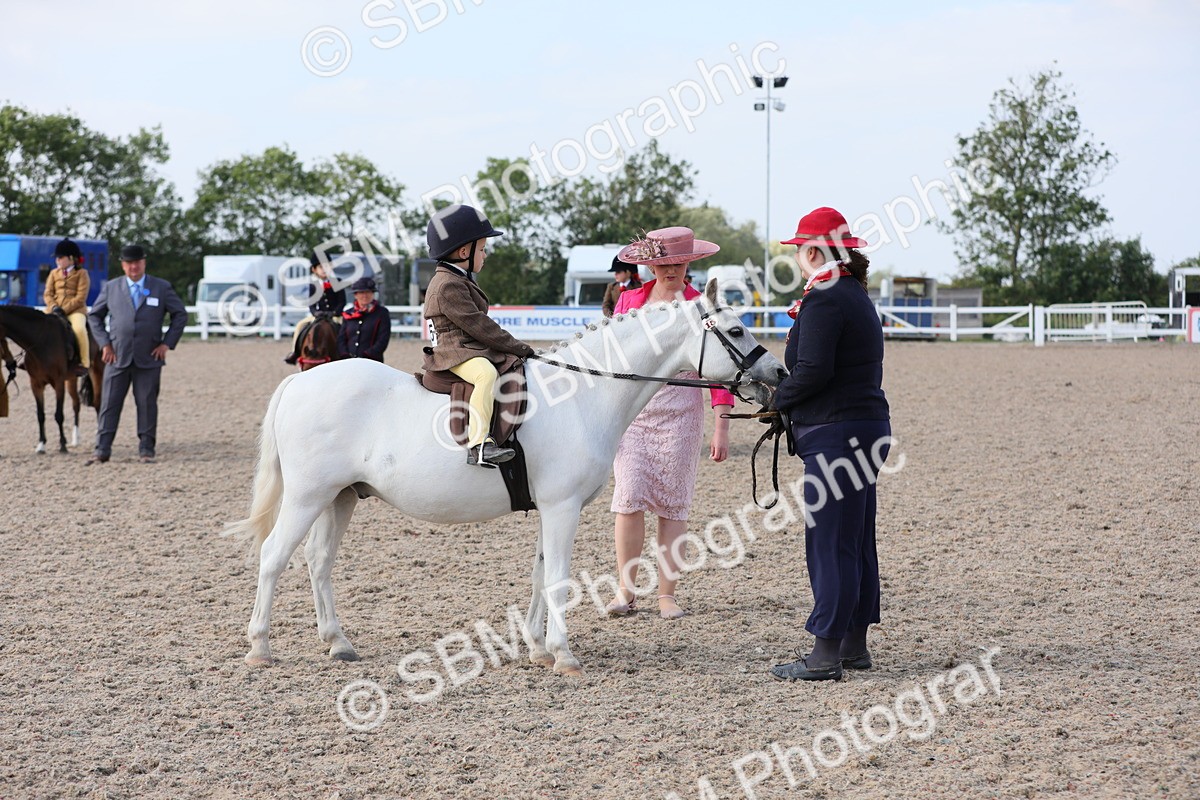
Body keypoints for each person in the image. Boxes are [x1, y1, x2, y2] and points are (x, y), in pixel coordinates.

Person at [767, 207, 891, 682]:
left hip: (838, 433)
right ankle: (853, 645)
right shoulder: (853, 293)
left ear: (815, 252)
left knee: (830, 543)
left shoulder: (825, 298)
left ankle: (823, 655)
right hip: (863, 428)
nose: (798, 256)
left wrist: (778, 400)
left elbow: (813, 372)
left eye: (801, 249)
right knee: (854, 539)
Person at [605, 226, 733, 620]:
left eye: (679, 263)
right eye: (663, 264)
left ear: (689, 263)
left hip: (681, 416)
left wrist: (722, 423)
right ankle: (626, 591)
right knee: (628, 500)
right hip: (633, 416)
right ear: (650, 266)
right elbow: (612, 356)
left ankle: (666, 595)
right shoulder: (629, 300)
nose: (671, 270)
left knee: (672, 507)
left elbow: (719, 364)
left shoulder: (701, 305)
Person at [421, 204, 535, 468]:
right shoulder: (447, 285)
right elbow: (480, 326)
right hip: (454, 351)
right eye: (482, 249)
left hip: (466, 347)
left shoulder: (458, 277)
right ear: (464, 252)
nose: (485, 255)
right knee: (486, 374)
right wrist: (518, 347)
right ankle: (480, 444)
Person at [86, 244, 187, 464]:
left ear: (144, 263)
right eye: (129, 263)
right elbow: (94, 316)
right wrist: (105, 344)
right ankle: (102, 450)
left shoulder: (161, 287)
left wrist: (166, 344)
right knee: (109, 404)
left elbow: (180, 315)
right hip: (117, 357)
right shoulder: (112, 287)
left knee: (147, 404)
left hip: (149, 357)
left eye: (137, 262)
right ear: (123, 265)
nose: (134, 267)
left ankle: (146, 450)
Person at [284, 253, 346, 365]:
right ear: (314, 269)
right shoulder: (313, 285)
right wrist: (315, 313)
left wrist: (335, 312)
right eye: (321, 267)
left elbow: (342, 301)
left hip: (335, 315)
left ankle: (347, 352)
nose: (324, 270)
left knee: (346, 328)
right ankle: (295, 352)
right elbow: (311, 304)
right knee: (300, 326)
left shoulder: (338, 281)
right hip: (319, 315)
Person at [43, 238, 91, 376]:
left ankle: (84, 363)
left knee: (79, 330)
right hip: (54, 309)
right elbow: (47, 293)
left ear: (71, 258)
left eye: (60, 258)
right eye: (57, 258)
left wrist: (63, 310)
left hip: (75, 311)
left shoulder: (82, 274)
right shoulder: (53, 273)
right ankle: (33, 359)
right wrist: (54, 307)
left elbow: (80, 297)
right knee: (37, 327)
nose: (57, 261)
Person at [337, 276, 390, 361]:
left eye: (368, 292)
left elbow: (383, 339)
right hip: (349, 361)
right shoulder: (348, 314)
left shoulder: (381, 313)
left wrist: (366, 355)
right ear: (356, 295)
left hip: (371, 361)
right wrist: (345, 355)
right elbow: (341, 339)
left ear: (373, 294)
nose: (365, 295)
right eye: (361, 292)